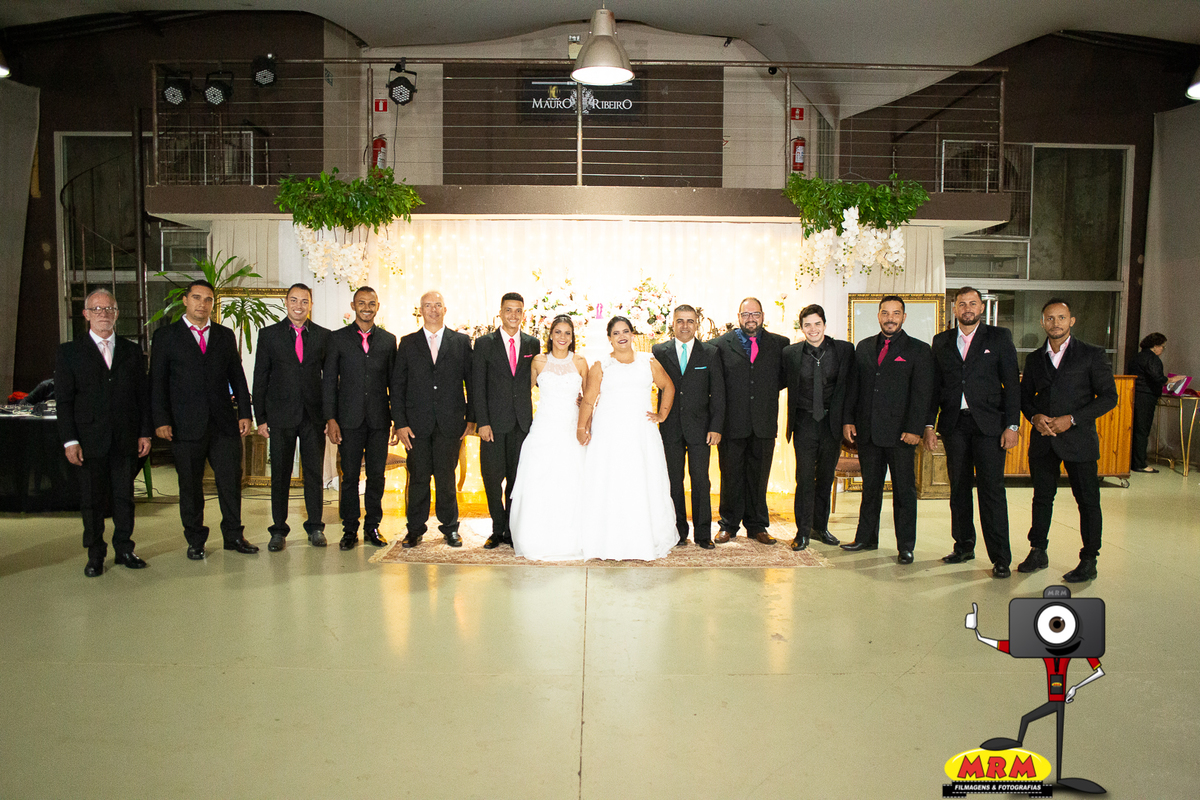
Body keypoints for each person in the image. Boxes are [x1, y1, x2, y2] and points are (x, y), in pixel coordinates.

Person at [150, 279, 256, 559]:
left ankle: (234, 536)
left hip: (223, 424)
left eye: (208, 299)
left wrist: (245, 413)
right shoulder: (166, 336)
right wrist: (160, 420)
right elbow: (157, 382)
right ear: (185, 300)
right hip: (184, 425)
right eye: (197, 297)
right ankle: (195, 540)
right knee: (190, 486)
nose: (203, 304)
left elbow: (237, 376)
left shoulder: (224, 335)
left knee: (230, 483)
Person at [923, 287, 1021, 578]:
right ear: (954, 309)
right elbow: (934, 387)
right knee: (959, 490)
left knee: (992, 491)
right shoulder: (941, 341)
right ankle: (963, 546)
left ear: (981, 308)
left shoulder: (999, 337)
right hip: (955, 425)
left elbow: (1011, 384)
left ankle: (1000, 557)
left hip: (989, 426)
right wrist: (929, 425)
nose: (967, 308)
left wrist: (1012, 425)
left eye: (973, 303)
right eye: (962, 303)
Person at [1018, 298, 1118, 583]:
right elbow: (1025, 398)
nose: (1056, 323)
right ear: (1042, 322)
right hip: (1043, 440)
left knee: (1087, 501)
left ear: (1071, 321)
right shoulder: (1035, 359)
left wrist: (1072, 419)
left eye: (1061, 317)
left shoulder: (1091, 354)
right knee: (1042, 498)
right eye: (1050, 318)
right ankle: (1038, 550)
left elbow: (1109, 397)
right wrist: (1035, 417)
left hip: (1079, 441)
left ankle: (1089, 559)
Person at [55, 288, 152, 577]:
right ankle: (95, 554)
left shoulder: (132, 351)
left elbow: (142, 397)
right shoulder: (69, 352)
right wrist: (70, 440)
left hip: (125, 438)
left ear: (117, 314)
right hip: (88, 441)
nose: (103, 314)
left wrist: (145, 433)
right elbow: (64, 401)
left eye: (109, 308)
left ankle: (124, 548)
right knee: (92, 501)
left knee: (124, 498)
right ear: (86, 314)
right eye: (97, 309)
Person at [841, 295, 933, 564]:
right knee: (870, 489)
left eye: (896, 313)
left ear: (904, 317)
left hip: (901, 435)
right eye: (885, 313)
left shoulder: (919, 350)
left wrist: (915, 429)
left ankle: (905, 546)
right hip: (868, 432)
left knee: (904, 492)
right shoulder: (864, 347)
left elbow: (922, 393)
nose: (890, 318)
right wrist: (848, 420)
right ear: (878, 315)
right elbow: (854, 387)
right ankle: (866, 538)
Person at [576, 316, 677, 561]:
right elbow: (588, 400)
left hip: (641, 434)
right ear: (609, 338)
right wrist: (581, 427)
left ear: (633, 334)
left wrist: (662, 415)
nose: (621, 336)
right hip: (609, 435)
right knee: (611, 481)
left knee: (641, 481)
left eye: (625, 331)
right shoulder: (601, 365)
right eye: (616, 333)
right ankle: (608, 540)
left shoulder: (648, 361)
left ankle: (642, 538)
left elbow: (668, 386)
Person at [392, 290, 474, 548]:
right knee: (418, 478)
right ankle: (415, 529)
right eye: (428, 305)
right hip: (416, 425)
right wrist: (400, 423)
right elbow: (397, 386)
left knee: (446, 478)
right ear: (421, 311)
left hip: (451, 423)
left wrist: (471, 418)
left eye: (438, 305)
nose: (433, 309)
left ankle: (450, 528)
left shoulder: (461, 342)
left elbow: (471, 383)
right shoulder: (407, 343)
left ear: (445, 309)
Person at [253, 283, 331, 550]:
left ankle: (316, 527)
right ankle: (278, 530)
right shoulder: (269, 335)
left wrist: (329, 416)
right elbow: (260, 377)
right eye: (294, 300)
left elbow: (329, 380)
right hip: (280, 416)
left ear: (311, 305)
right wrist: (261, 418)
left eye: (304, 301)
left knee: (314, 474)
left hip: (313, 417)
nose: (299, 306)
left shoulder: (323, 336)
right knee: (280, 475)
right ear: (286, 303)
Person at [509, 315, 591, 561]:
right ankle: (536, 537)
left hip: (571, 429)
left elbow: (589, 397)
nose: (562, 337)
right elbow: (521, 393)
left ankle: (573, 538)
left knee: (571, 480)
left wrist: (585, 424)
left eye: (567, 333)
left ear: (572, 337)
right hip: (544, 428)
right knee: (540, 480)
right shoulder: (538, 361)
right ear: (551, 335)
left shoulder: (580, 361)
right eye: (558, 332)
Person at [711, 298, 789, 545]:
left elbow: (782, 379)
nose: (751, 318)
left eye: (755, 314)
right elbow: (716, 384)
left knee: (759, 477)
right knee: (731, 475)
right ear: (738, 317)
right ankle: (728, 525)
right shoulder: (719, 345)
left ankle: (757, 526)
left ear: (763, 316)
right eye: (746, 314)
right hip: (732, 423)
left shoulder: (780, 344)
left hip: (764, 422)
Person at [323, 286, 395, 551]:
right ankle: (350, 529)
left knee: (376, 476)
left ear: (378, 307)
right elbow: (329, 382)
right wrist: (331, 419)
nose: (367, 308)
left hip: (379, 421)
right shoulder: (337, 339)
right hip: (348, 421)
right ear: (353, 306)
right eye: (361, 303)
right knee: (350, 477)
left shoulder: (388, 340)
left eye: (371, 303)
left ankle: (373, 526)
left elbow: (394, 384)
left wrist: (396, 420)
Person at [651, 305, 724, 549]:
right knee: (673, 480)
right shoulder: (659, 351)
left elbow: (718, 393)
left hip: (701, 429)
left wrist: (716, 427)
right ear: (672, 324)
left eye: (690, 321)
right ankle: (678, 532)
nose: (685, 326)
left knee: (701, 480)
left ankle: (703, 534)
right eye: (680, 321)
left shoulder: (710, 353)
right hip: (669, 426)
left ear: (697, 324)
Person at [472, 292, 541, 549]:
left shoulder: (533, 344)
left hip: (521, 424)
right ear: (500, 312)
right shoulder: (484, 344)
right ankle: (496, 528)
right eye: (508, 310)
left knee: (515, 479)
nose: (513, 315)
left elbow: (541, 378)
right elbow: (478, 386)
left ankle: (511, 530)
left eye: (518, 310)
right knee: (492, 479)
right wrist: (482, 422)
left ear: (524, 314)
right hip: (492, 424)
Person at [782, 304, 853, 551]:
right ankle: (802, 532)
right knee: (804, 478)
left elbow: (851, 388)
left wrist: (848, 420)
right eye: (807, 325)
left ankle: (820, 528)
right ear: (801, 328)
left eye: (817, 324)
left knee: (825, 477)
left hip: (832, 424)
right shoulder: (790, 353)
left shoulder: (843, 350)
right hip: (804, 422)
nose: (813, 329)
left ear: (824, 324)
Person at [1126, 332, 1168, 473]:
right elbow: (1157, 377)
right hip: (1146, 397)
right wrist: (1169, 380)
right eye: (1162, 347)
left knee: (1135, 429)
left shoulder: (1136, 357)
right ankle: (1140, 464)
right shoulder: (1152, 359)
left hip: (1134, 395)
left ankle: (1131, 461)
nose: (1162, 350)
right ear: (1155, 346)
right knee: (1142, 430)